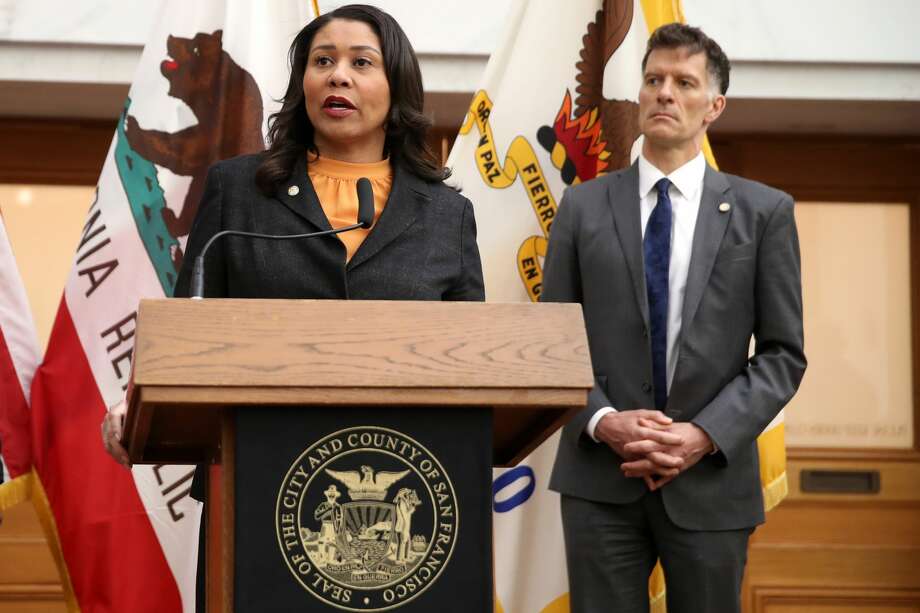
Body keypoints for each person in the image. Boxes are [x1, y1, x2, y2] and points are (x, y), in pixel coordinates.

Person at [101, 3, 484, 608]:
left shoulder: (445, 215)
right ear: (301, 82)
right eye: (322, 61)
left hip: (407, 496)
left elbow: (477, 364)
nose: (338, 76)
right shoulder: (239, 191)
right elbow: (189, 326)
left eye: (362, 63)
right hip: (255, 483)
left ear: (397, 88)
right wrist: (135, 403)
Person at [541, 23, 806, 613]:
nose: (664, 92)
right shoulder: (582, 205)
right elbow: (549, 343)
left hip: (711, 484)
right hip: (598, 483)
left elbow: (783, 355)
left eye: (684, 82)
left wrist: (702, 435)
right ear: (638, 94)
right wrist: (603, 420)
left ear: (714, 106)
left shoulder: (765, 213)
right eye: (654, 79)